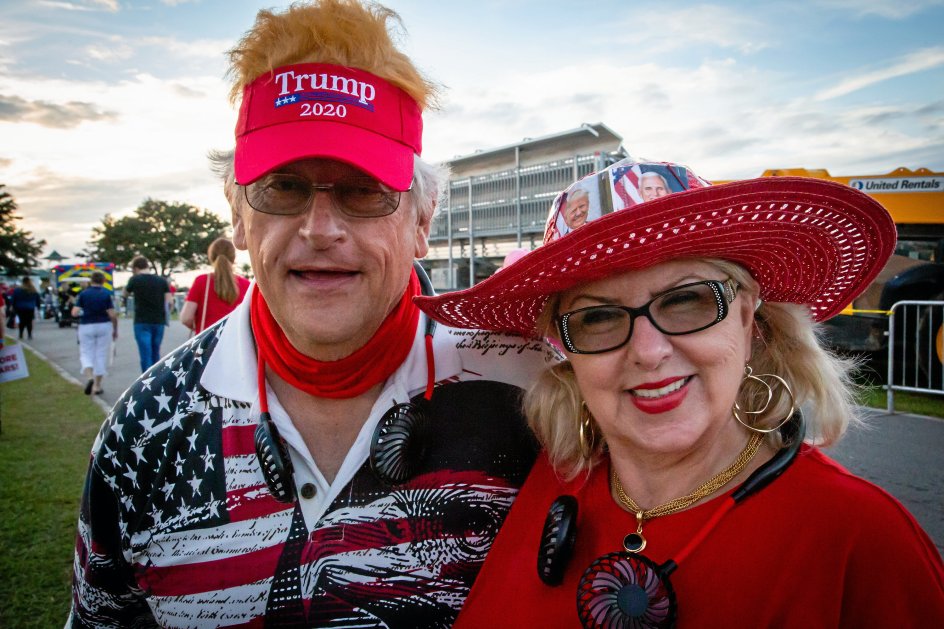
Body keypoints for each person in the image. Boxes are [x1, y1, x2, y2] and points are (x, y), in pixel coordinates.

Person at [69, 1, 547, 626]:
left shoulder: (538, 398)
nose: (321, 230)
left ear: (423, 220)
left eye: (363, 189)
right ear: (238, 215)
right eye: (285, 187)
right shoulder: (143, 429)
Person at [417, 157, 944, 627]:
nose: (648, 351)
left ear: (747, 317)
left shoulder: (862, 540)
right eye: (598, 316)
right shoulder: (547, 482)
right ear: (567, 354)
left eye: (687, 300)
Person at [180, 236, 250, 334]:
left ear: (211, 257)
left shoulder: (202, 281)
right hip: (236, 342)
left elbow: (186, 318)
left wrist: (197, 325)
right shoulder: (246, 285)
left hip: (208, 342)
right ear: (233, 258)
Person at [122, 254, 171, 372]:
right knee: (155, 352)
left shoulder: (134, 280)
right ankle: (157, 380)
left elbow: (125, 294)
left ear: (135, 268)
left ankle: (146, 381)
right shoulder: (161, 281)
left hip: (142, 321)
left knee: (145, 354)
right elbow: (170, 301)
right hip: (158, 321)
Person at [72, 271, 118, 396]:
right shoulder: (105, 294)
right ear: (103, 281)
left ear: (91, 281)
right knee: (101, 354)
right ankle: (97, 386)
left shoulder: (83, 294)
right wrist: (115, 329)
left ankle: (89, 377)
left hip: (86, 325)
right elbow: (112, 314)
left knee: (86, 352)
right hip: (104, 325)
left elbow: (74, 313)